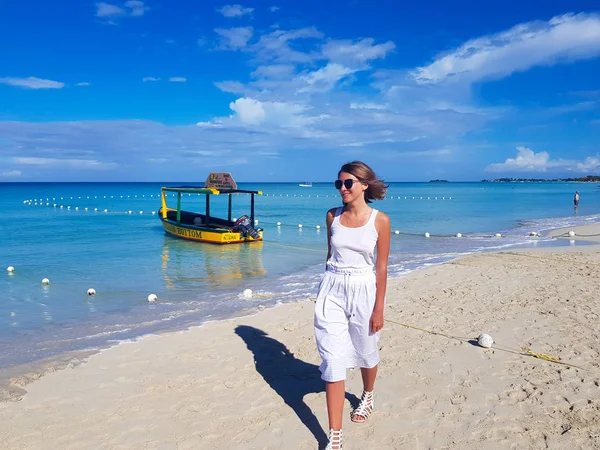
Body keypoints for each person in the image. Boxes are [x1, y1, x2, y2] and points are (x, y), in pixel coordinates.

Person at [314, 161, 391, 450]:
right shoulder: (332, 216)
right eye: (339, 184)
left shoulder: (379, 220)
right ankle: (335, 435)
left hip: (364, 288)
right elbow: (329, 253)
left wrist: (378, 309)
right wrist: (325, 289)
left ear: (364, 185)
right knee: (333, 362)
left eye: (348, 183)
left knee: (365, 351)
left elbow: (381, 268)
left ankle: (367, 394)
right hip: (332, 287)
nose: (342, 189)